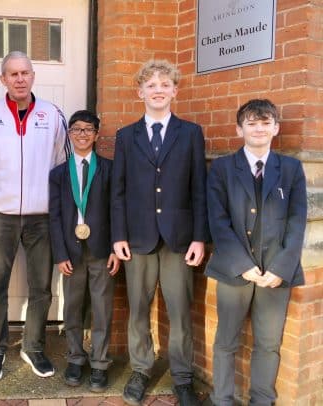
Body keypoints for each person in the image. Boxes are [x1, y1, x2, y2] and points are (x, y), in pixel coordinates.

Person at [111, 59, 208, 406]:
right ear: (140, 92)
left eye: (165, 85)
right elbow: (118, 190)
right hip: (138, 237)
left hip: (179, 238)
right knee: (138, 308)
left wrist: (199, 237)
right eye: (151, 85)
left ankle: (182, 377)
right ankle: (140, 369)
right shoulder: (126, 136)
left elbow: (199, 188)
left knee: (180, 310)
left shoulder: (191, 133)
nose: (158, 91)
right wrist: (118, 236)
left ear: (175, 91)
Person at [0, 51, 69, 382]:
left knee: (41, 287)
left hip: (42, 217)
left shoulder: (52, 115)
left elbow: (63, 166)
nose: (20, 78)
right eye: (13, 74)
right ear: (3, 79)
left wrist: (61, 212)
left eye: (25, 72)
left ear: (33, 76)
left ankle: (33, 347)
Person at [203, 99, 307, 406]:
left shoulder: (291, 169)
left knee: (269, 344)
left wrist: (281, 267)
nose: (259, 129)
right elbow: (217, 221)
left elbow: (297, 221)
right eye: (251, 123)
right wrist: (241, 264)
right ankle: (222, 399)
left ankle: (262, 400)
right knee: (226, 341)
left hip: (276, 273)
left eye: (265, 123)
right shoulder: (222, 168)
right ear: (239, 129)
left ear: (276, 128)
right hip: (234, 271)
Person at [48, 110, 120, 392]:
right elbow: (54, 217)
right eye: (77, 129)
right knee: (73, 307)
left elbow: (117, 210)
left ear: (97, 135)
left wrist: (115, 247)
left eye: (88, 129)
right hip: (71, 251)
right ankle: (76, 358)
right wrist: (59, 254)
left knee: (102, 308)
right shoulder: (58, 174)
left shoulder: (109, 169)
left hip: (102, 250)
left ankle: (100, 362)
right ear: (69, 134)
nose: (82, 134)